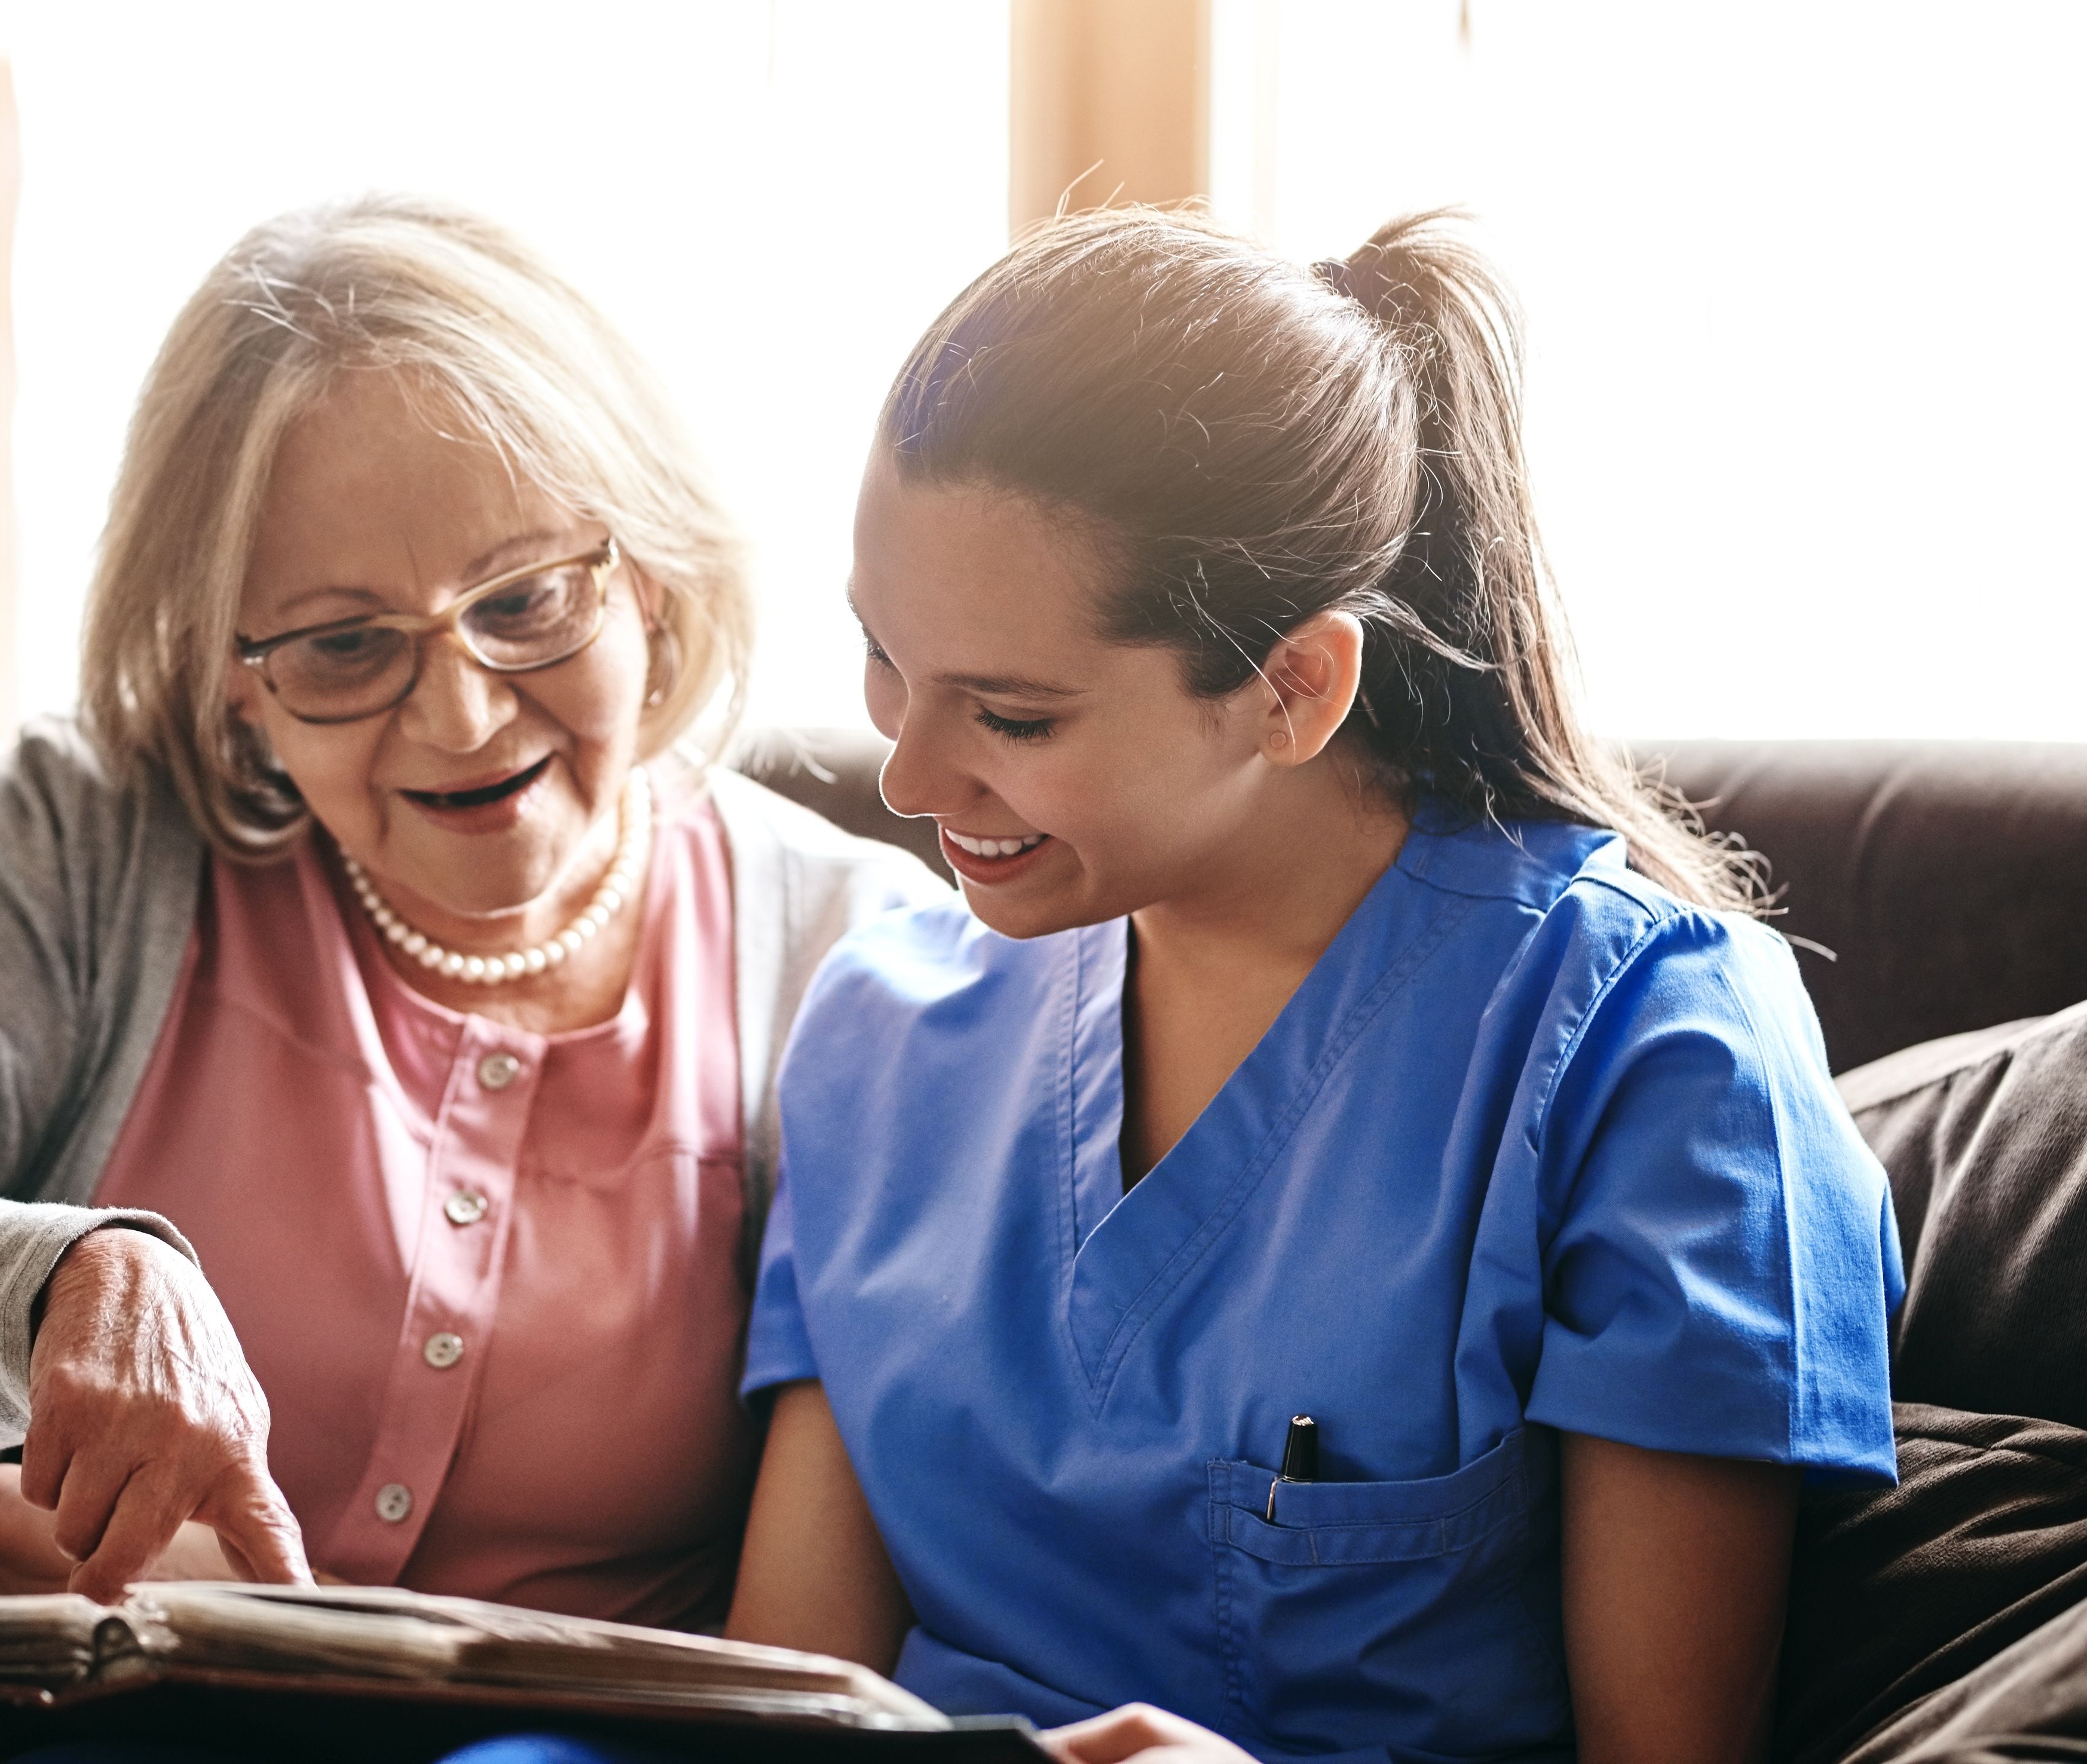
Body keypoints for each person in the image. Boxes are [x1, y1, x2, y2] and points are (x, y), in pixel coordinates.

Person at [0, 192, 944, 1627]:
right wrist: (53, 1286)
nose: (462, 711)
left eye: (529, 599)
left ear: (654, 578)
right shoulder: (98, 843)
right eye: (345, 644)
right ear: (232, 672)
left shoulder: (854, 958)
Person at [720, 209, 1904, 1764]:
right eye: (884, 658)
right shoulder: (878, 1037)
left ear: (1292, 686)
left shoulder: (1657, 1057)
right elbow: (781, 1702)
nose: (907, 769)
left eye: (1007, 711)